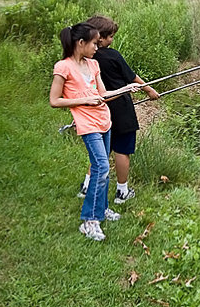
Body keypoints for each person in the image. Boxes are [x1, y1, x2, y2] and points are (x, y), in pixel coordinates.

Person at [49, 22, 141, 241]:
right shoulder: (63, 67)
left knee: (104, 167)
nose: (97, 47)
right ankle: (89, 220)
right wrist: (85, 101)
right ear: (81, 43)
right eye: (93, 43)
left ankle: (102, 209)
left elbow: (104, 95)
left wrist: (126, 89)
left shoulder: (93, 65)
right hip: (87, 125)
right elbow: (54, 100)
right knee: (100, 166)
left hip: (104, 120)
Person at [76, 14, 160, 205]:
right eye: (111, 36)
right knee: (122, 151)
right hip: (121, 109)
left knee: (101, 151)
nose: (112, 40)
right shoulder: (113, 56)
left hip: (99, 110)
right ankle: (122, 192)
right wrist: (149, 90)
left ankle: (87, 186)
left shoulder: (85, 59)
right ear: (101, 37)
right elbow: (131, 77)